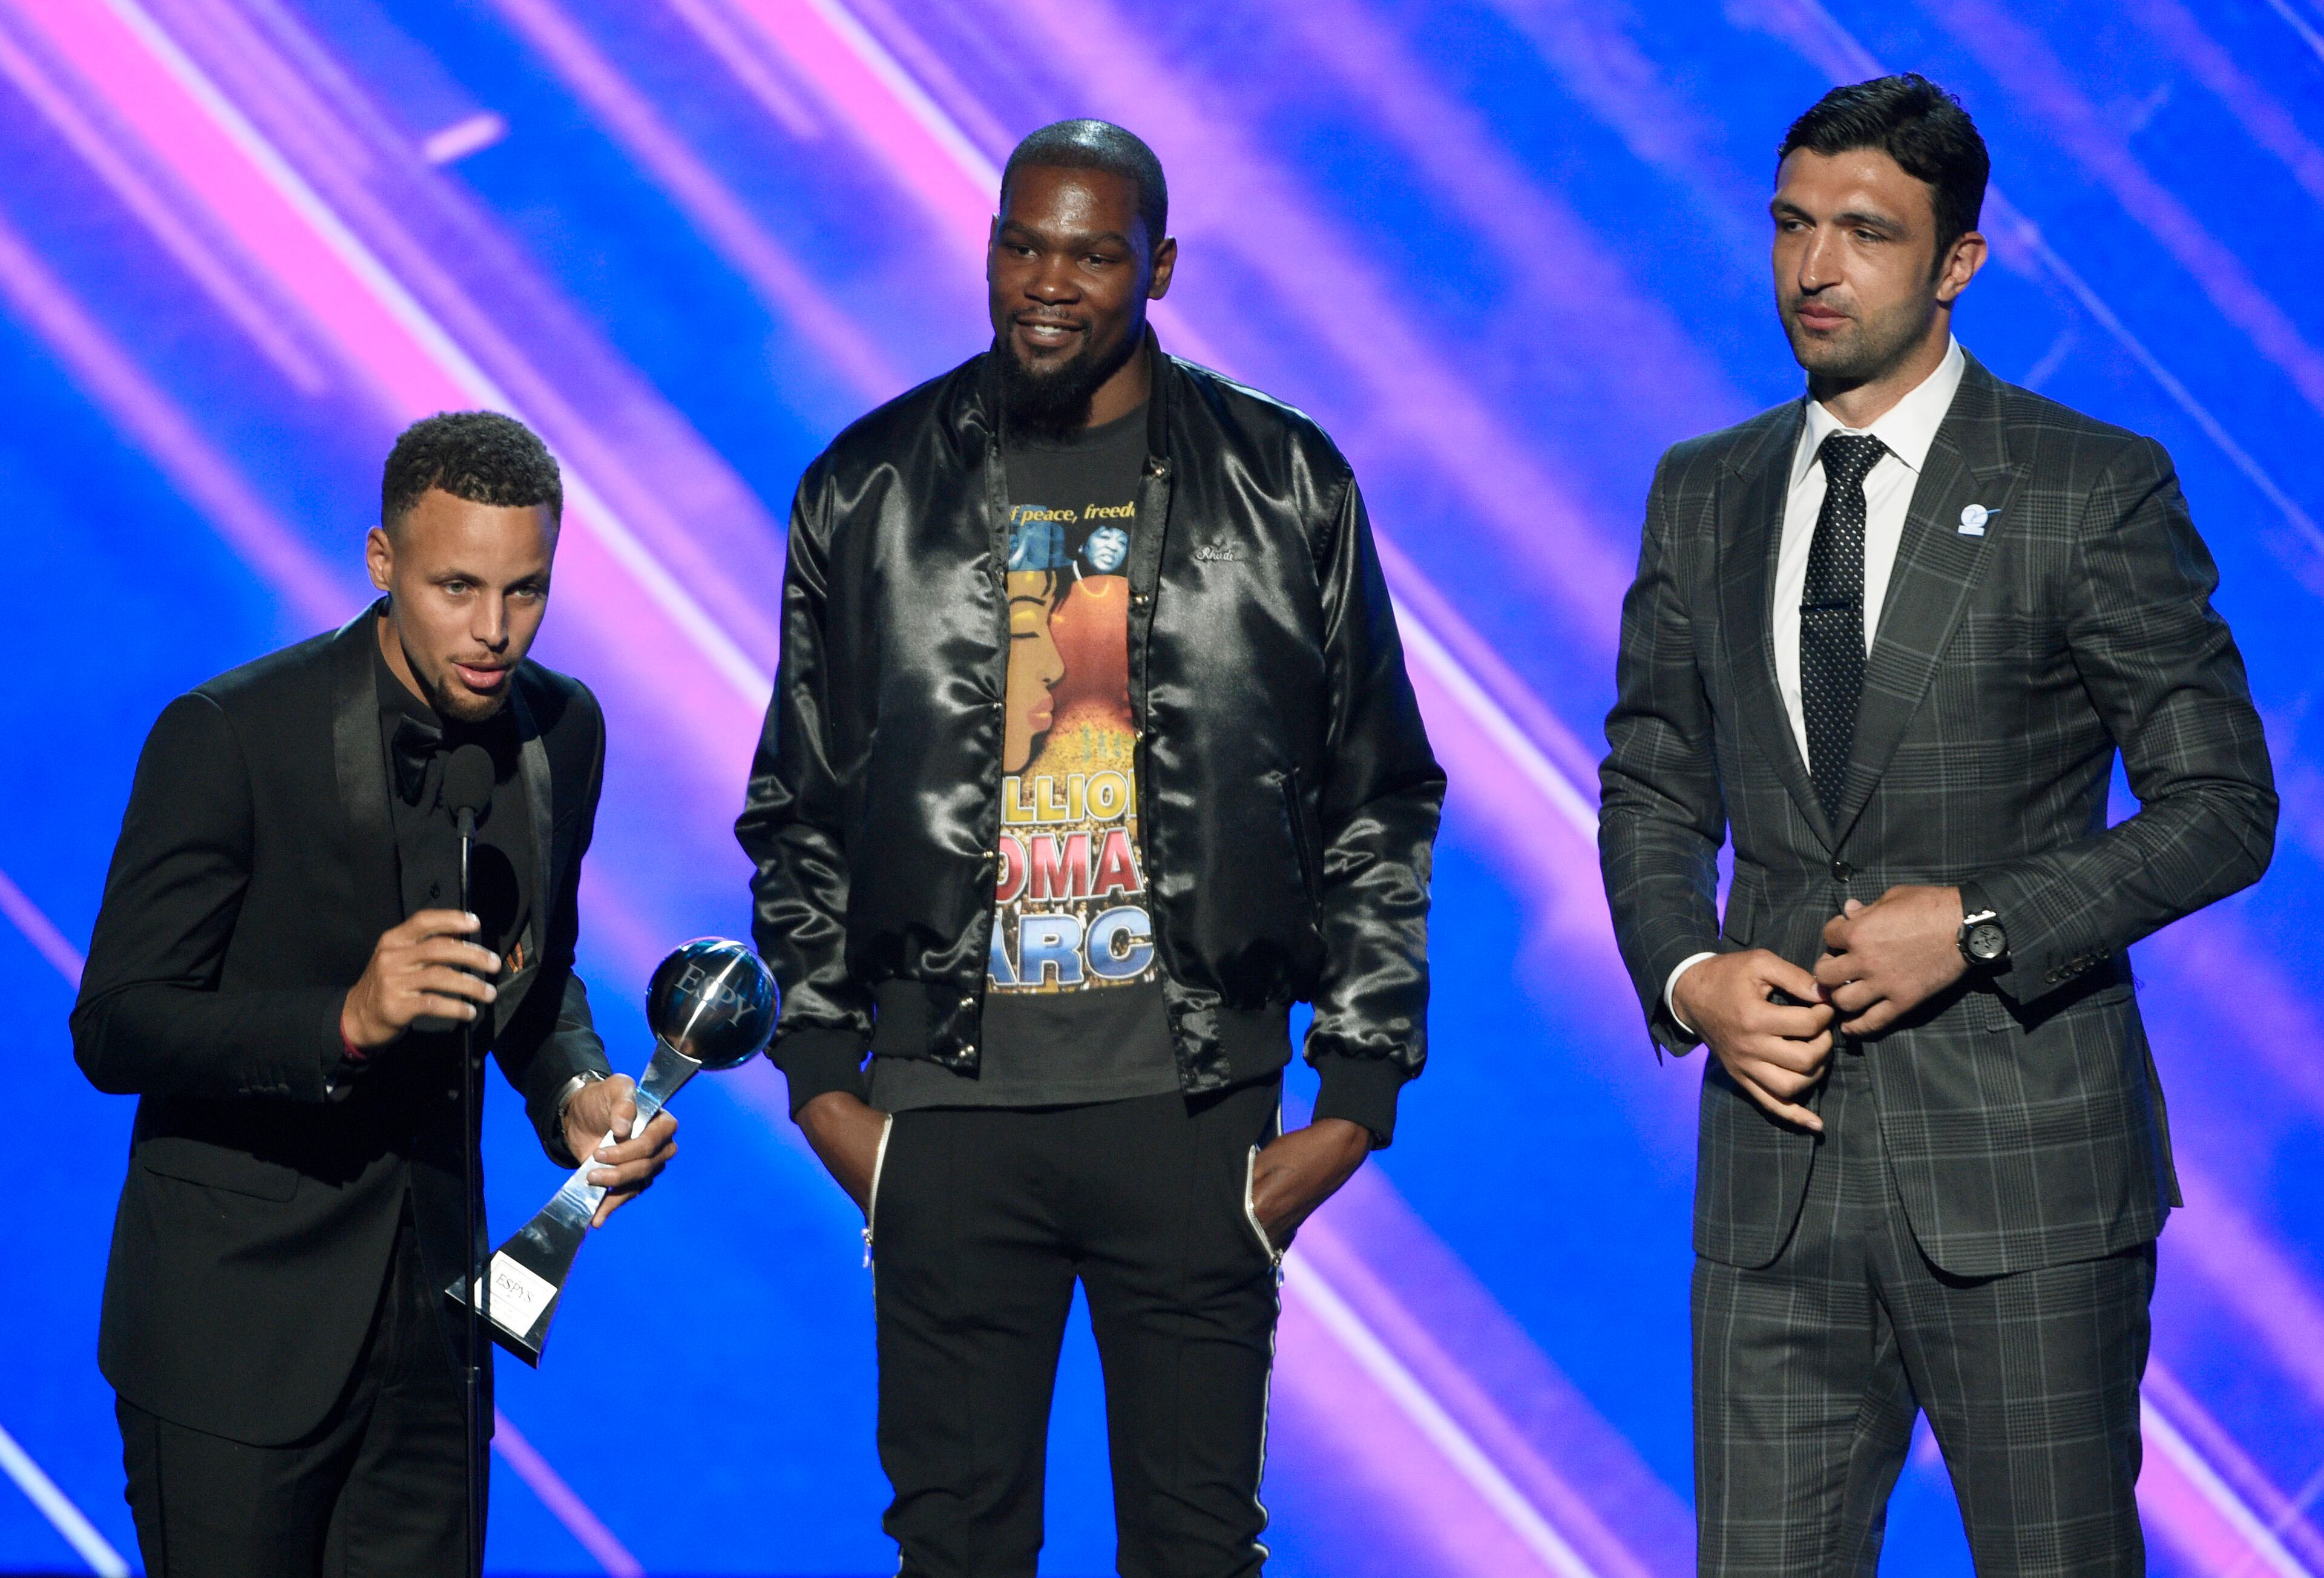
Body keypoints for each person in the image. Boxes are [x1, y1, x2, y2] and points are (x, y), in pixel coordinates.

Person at [737, 119, 1442, 1575]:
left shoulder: (1285, 480)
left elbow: (1375, 790)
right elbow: (800, 802)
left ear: (1160, 268)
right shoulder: (867, 489)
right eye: (1021, 242)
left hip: (1193, 1115)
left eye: (1090, 251)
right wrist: (825, 1089)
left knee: (1195, 1551)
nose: (1045, 282)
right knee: (955, 1547)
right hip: (945, 1119)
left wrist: (1354, 1097)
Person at [1600, 74, 2277, 1575]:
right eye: (1790, 224)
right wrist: (1689, 976)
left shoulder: (2084, 487)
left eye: (1865, 232)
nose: (1813, 268)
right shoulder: (1702, 490)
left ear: (1958, 261)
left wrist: (1978, 924)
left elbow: (2226, 804)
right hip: (1774, 1179)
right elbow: (1653, 770)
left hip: (2024, 1177)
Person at [73, 412, 679, 1577]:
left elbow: (533, 975)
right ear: (381, 561)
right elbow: (118, 1021)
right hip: (236, 1338)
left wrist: (575, 1089)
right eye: (458, 587)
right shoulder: (231, 736)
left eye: (526, 591)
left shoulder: (564, 730)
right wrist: (342, 1021)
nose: (494, 632)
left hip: (441, 1338)